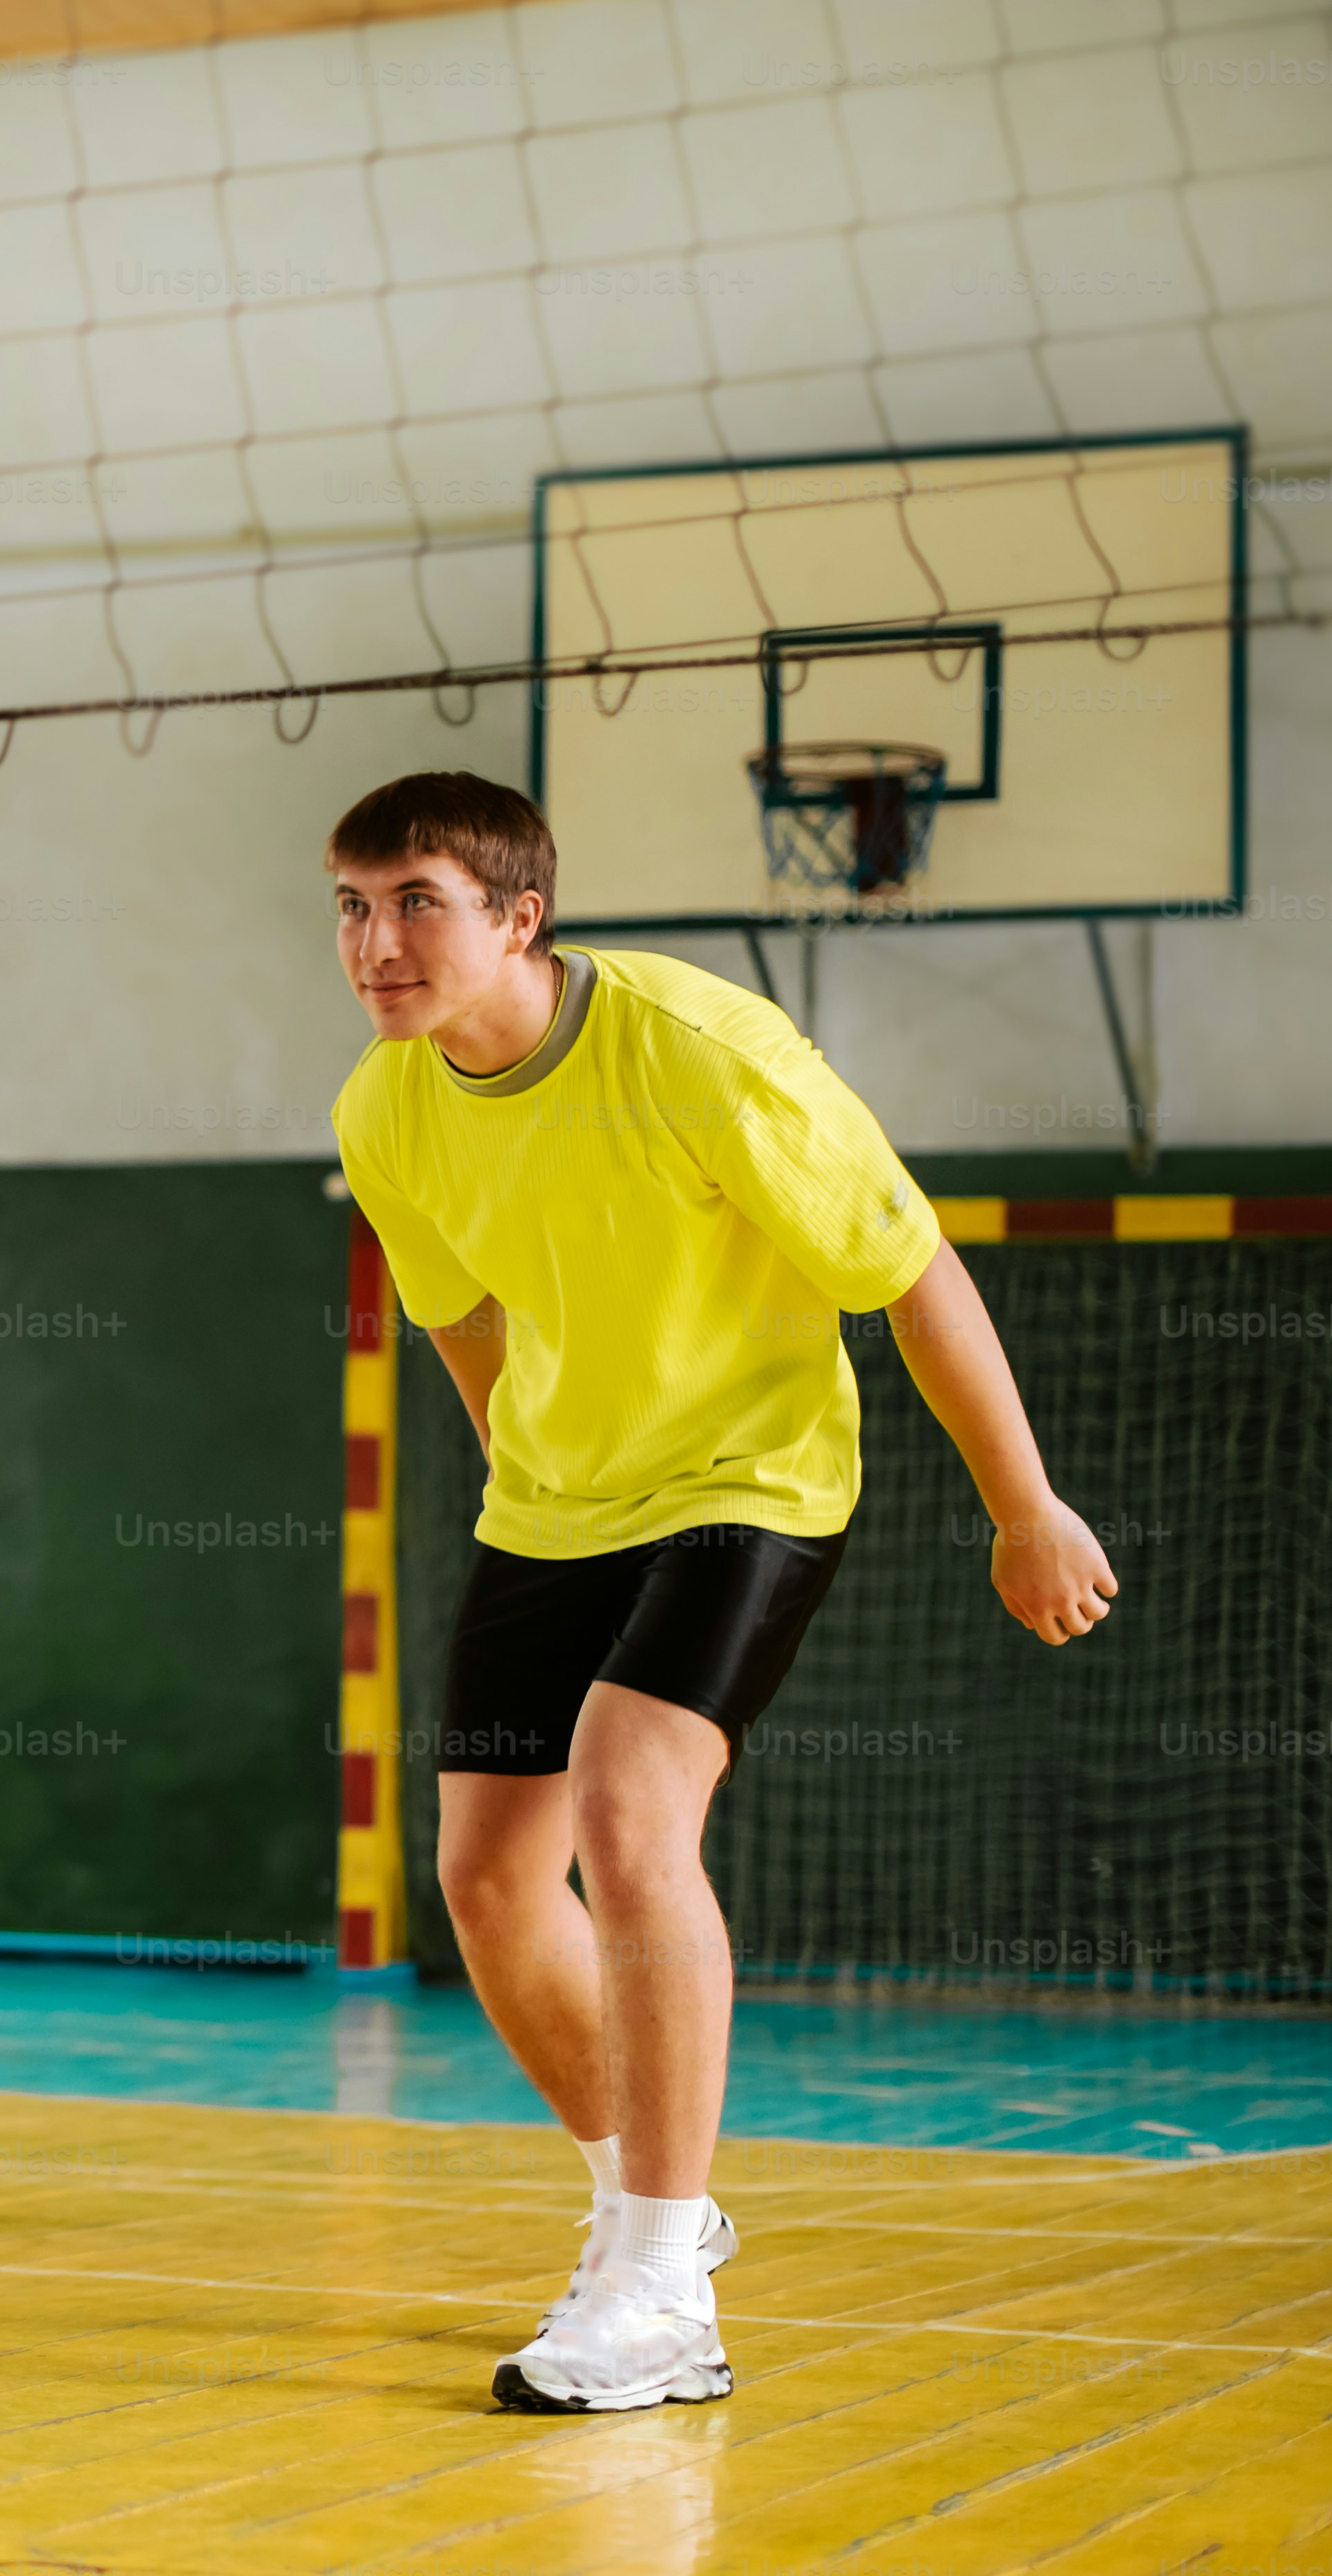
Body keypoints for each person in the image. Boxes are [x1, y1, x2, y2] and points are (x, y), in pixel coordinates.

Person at [326, 770, 1111, 2414]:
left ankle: (661, 2287)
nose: (374, 940)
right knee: (482, 1880)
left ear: (514, 917)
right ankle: (651, 2216)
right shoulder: (381, 1111)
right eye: (350, 904)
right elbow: (461, 1317)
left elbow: (910, 1272)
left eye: (415, 901)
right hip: (553, 1503)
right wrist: (521, 1477)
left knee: (627, 1808)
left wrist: (1022, 1502)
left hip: (747, 1482)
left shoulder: (695, 1052)